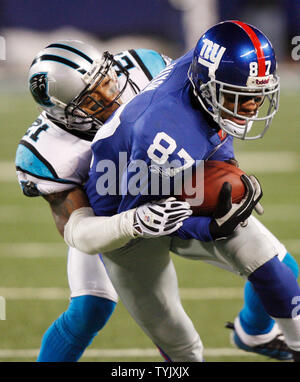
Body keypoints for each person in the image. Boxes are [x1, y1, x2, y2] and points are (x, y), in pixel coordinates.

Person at [77, 20, 300, 362]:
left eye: (257, 95)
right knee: (183, 347)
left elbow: (212, 138)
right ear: (207, 87)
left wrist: (228, 177)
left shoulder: (204, 74)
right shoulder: (161, 136)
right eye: (241, 98)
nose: (253, 106)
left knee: (270, 260)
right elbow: (151, 218)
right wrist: (210, 226)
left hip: (174, 180)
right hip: (128, 217)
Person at [15, 41, 192, 362]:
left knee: (253, 245)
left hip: (177, 186)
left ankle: (259, 331)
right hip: (109, 214)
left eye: (107, 80)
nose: (112, 96)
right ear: (65, 113)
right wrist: (130, 224)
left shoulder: (145, 67)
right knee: (91, 307)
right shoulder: (46, 151)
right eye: (93, 98)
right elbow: (78, 231)